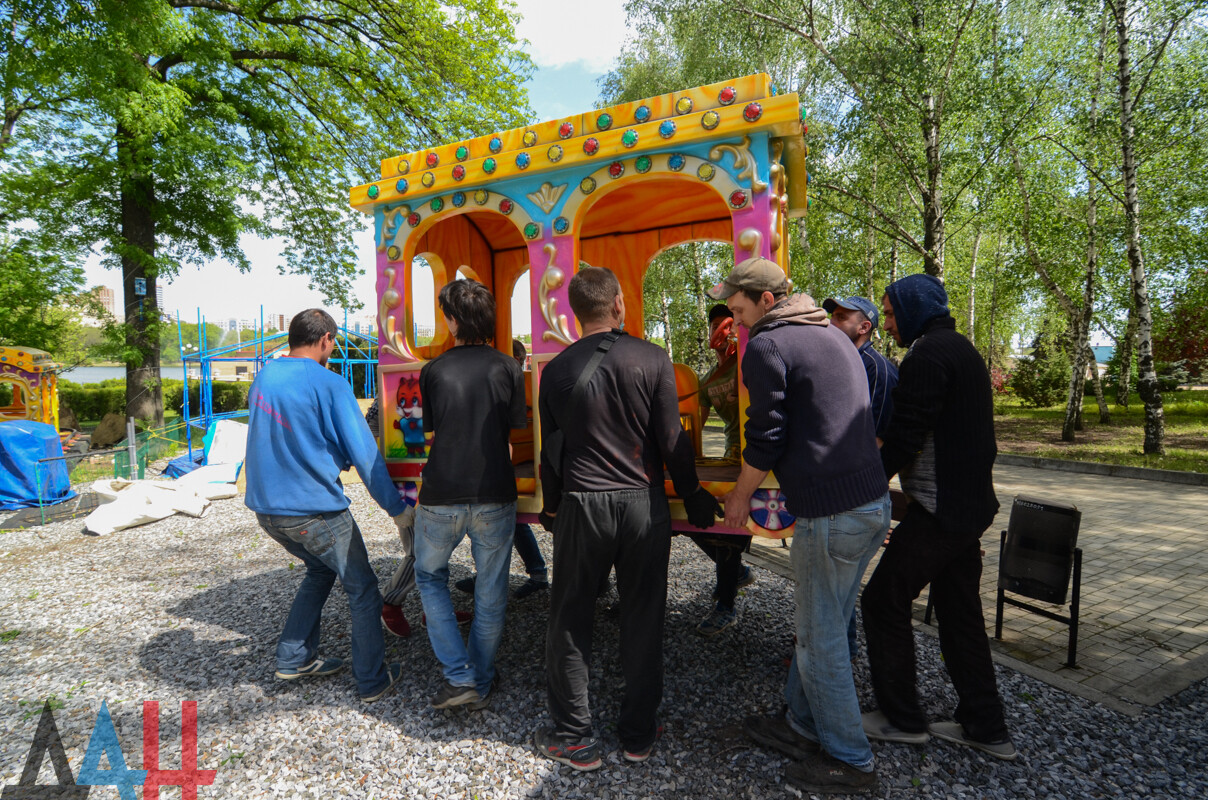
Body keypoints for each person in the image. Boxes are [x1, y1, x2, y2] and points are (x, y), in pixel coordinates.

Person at [714, 258, 891, 795]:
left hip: (831, 512)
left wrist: (740, 498)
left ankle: (850, 760)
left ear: (766, 301)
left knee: (819, 639)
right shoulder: (831, 333)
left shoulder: (767, 344)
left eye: (738, 301)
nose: (732, 311)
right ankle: (801, 724)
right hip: (869, 503)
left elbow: (764, 437)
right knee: (827, 625)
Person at [534, 265, 720, 771]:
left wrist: (552, 507)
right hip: (642, 504)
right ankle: (638, 734)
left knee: (571, 619)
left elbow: (551, 451)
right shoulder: (654, 359)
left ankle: (574, 737)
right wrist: (693, 492)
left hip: (581, 502)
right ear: (618, 303)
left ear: (575, 313)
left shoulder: (555, 370)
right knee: (643, 615)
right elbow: (672, 440)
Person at [860, 273, 1017, 761]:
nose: (886, 323)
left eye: (889, 313)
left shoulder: (927, 355)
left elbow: (907, 435)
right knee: (959, 615)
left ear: (912, 310)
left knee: (883, 601)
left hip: (941, 509)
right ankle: (986, 727)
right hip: (967, 508)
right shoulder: (960, 348)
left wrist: (862, 485)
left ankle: (902, 718)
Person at [244, 309, 404, 703]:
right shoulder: (329, 383)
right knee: (363, 589)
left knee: (319, 569)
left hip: (267, 511)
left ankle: (294, 656)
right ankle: (371, 680)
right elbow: (364, 453)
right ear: (327, 339)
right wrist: (396, 507)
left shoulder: (264, 377)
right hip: (313, 511)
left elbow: (295, 434)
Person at [412, 279, 526, 710]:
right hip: (495, 489)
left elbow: (434, 432)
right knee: (491, 589)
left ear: (453, 320)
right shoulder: (507, 367)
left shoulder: (433, 370)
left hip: (441, 491)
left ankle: (460, 676)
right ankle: (477, 676)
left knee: (429, 578)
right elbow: (512, 434)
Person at [822, 295, 899, 659]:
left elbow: (877, 440)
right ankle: (836, 653)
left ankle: (839, 656)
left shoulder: (876, 369)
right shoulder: (839, 363)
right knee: (833, 585)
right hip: (837, 492)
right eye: (831, 315)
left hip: (855, 496)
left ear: (864, 327)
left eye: (840, 317)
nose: (831, 322)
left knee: (839, 585)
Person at [455, 340, 549, 600]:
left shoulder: (515, 385)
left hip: (508, 465)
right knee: (508, 522)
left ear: (518, 360)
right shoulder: (507, 384)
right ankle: (530, 573)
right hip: (506, 464)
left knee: (493, 521)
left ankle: (505, 574)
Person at [688, 304, 754, 636]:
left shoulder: (747, 359)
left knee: (732, 532)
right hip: (729, 456)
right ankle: (736, 573)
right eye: (716, 326)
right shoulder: (708, 379)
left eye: (727, 325)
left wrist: (740, 341)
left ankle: (726, 605)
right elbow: (694, 425)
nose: (722, 331)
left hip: (756, 459)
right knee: (694, 518)